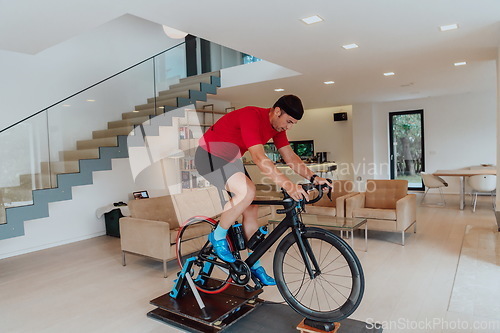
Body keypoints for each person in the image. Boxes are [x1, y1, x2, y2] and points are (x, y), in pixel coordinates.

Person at [194, 95, 330, 286]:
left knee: (252, 206)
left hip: (231, 160)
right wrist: (288, 185)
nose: (289, 127)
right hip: (209, 155)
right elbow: (258, 157)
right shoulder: (252, 116)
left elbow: (290, 157)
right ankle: (217, 236)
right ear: (277, 111)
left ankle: (254, 264)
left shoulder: (277, 128)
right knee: (247, 192)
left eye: (293, 123)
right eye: (288, 121)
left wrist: (314, 177)